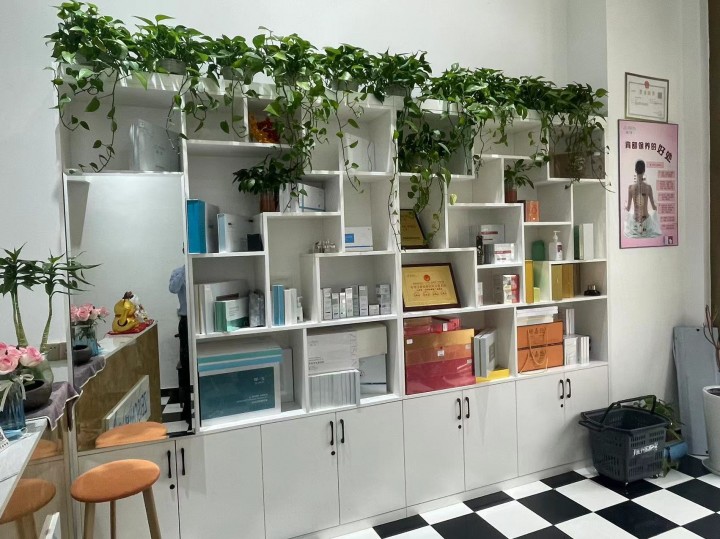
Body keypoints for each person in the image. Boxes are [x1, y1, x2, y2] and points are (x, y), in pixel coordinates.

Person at [169, 265, 191, 426]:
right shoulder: (178, 272)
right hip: (186, 320)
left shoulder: (200, 267)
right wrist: (184, 270)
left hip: (201, 317)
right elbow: (173, 288)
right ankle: (187, 408)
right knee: (186, 363)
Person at [624, 159, 661, 238]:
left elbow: (628, 208)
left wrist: (625, 205)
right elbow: (654, 207)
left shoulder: (630, 188)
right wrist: (656, 205)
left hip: (635, 223)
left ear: (635, 170)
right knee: (653, 216)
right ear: (644, 171)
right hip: (647, 223)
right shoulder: (648, 187)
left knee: (629, 216)